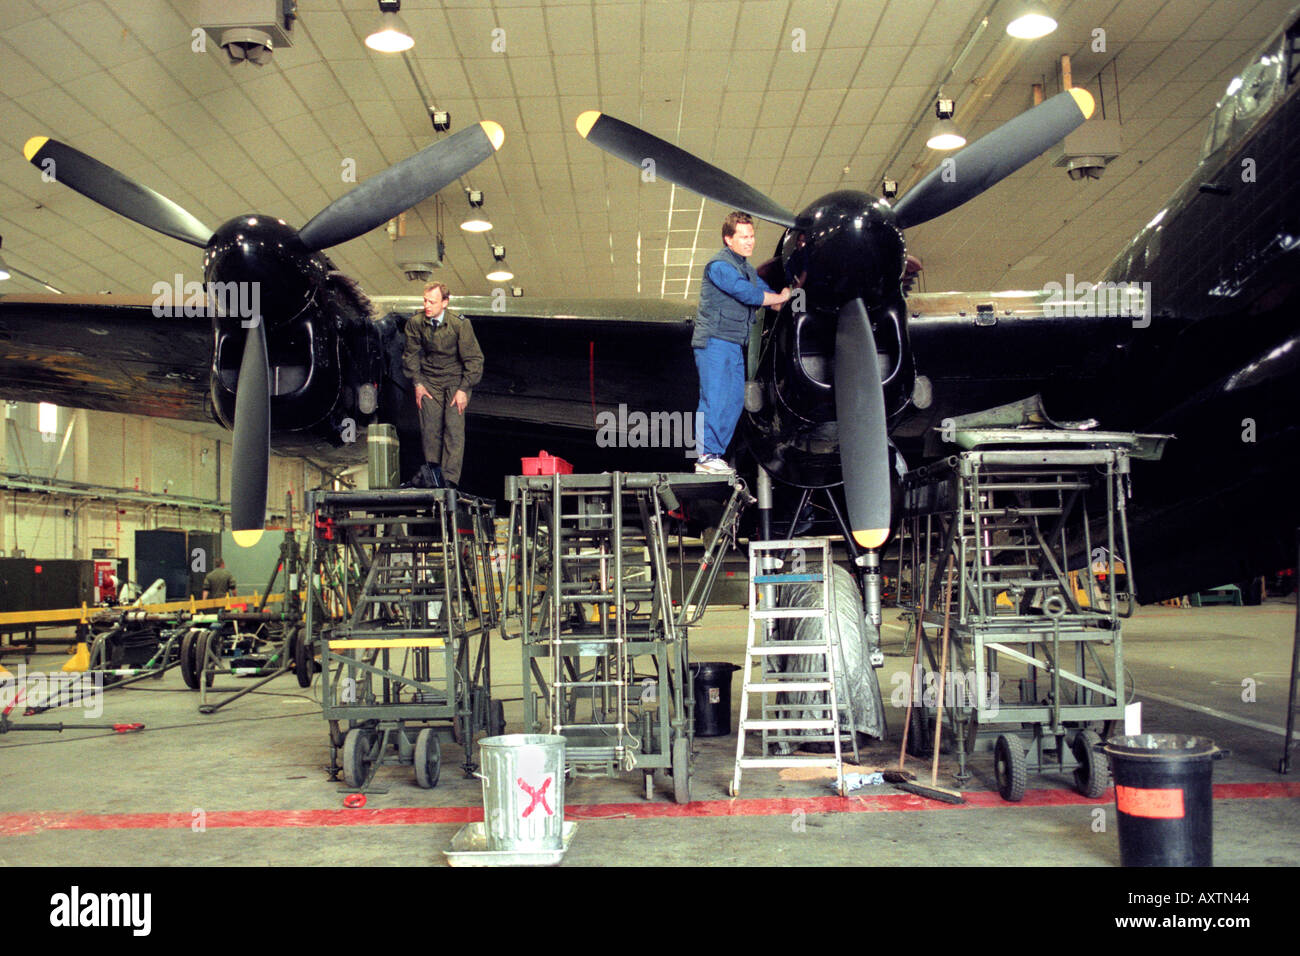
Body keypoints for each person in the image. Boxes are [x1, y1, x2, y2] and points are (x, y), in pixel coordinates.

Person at [691, 211, 790, 474]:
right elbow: (749, 294)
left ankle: (715, 455)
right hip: (714, 342)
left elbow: (772, 298)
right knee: (714, 398)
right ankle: (705, 456)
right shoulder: (719, 266)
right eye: (743, 237)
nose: (749, 241)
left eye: (752, 236)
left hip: (734, 344)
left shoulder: (746, 269)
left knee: (734, 400)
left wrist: (791, 296)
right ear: (728, 239)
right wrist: (779, 297)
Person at [401, 281, 484, 489]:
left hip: (456, 380)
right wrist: (418, 383)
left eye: (432, 302)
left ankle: (449, 481)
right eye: (425, 301)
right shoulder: (415, 323)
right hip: (429, 380)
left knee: (453, 429)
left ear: (445, 303)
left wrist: (464, 389)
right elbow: (410, 355)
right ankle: (433, 477)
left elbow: (474, 360)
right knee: (430, 429)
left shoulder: (460, 324)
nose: (427, 305)